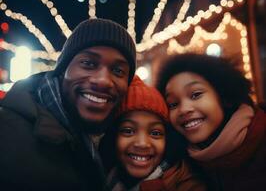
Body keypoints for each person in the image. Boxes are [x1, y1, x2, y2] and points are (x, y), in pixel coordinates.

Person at [0, 18, 136, 191]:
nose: (103, 81)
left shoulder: (118, 144)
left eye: (118, 71)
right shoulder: (5, 132)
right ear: (63, 70)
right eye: (88, 63)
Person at [155, 53, 266, 191]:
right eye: (173, 104)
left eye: (195, 95)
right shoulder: (180, 164)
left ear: (222, 95)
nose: (183, 109)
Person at [99, 75, 207, 191]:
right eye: (128, 131)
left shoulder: (187, 185)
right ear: (113, 137)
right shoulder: (101, 177)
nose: (142, 143)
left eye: (155, 133)